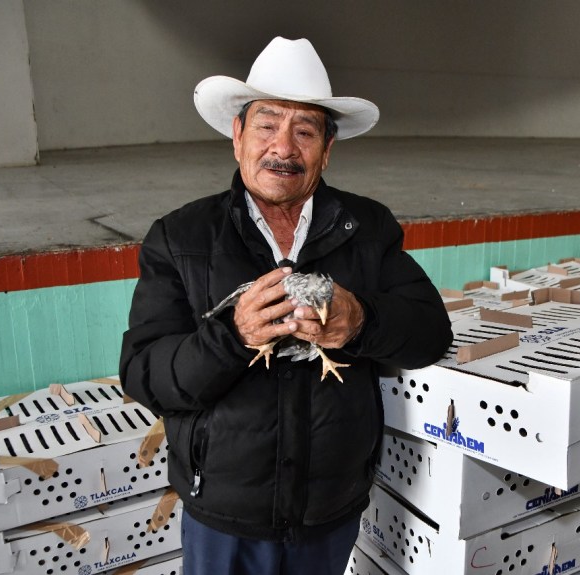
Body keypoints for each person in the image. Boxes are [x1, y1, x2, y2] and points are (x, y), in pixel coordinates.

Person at [119, 37, 453, 575]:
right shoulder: (180, 238)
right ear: (237, 136)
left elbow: (431, 334)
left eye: (305, 130)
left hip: (331, 508)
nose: (284, 147)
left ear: (327, 148)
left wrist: (360, 320)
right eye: (267, 125)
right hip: (224, 513)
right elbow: (143, 374)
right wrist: (233, 335)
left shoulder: (367, 229)